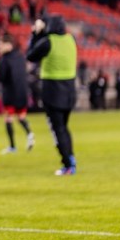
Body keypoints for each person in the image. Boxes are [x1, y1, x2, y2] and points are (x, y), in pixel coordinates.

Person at [27, 15, 78, 176]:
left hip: (53, 90)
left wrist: (36, 33)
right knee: (64, 127)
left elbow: (31, 55)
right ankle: (71, 158)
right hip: (70, 90)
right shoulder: (71, 40)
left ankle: (67, 164)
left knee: (58, 129)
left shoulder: (49, 42)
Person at [0, 34, 35, 153]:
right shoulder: (20, 56)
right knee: (21, 116)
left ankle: (12, 146)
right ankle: (29, 134)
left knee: (8, 119)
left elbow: (1, 77)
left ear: (8, 44)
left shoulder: (5, 59)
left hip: (10, 93)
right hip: (22, 92)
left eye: (1, 44)